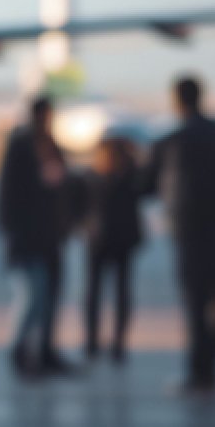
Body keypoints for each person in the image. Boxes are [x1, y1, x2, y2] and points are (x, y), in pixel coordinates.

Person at [143, 75, 215, 396]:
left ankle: (200, 369)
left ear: (177, 101)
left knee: (196, 306)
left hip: (189, 236)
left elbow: (144, 186)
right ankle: (208, 365)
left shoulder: (171, 142)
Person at [0, 96, 75, 378]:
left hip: (51, 236)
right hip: (27, 236)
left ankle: (45, 352)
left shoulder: (51, 145)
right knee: (33, 296)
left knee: (50, 297)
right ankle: (21, 352)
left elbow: (63, 188)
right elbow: (7, 192)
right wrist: (9, 231)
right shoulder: (21, 145)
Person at [81, 135, 144, 364]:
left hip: (110, 240)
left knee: (108, 294)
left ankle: (106, 343)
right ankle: (102, 343)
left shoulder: (122, 177)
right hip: (105, 240)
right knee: (104, 293)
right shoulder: (101, 177)